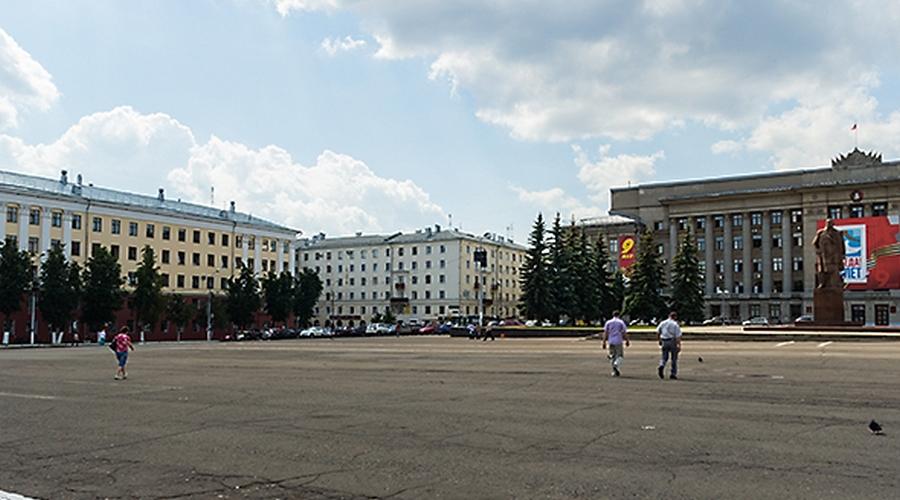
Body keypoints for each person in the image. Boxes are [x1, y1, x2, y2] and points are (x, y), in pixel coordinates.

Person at [602, 311, 629, 376]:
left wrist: (604, 342)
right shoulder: (621, 322)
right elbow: (624, 332)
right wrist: (627, 340)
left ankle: (614, 370)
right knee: (620, 355)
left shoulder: (608, 322)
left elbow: (606, 333)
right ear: (619, 315)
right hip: (618, 340)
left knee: (612, 356)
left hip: (611, 340)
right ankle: (616, 364)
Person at [657, 312, 683, 380]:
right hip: (672, 341)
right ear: (675, 317)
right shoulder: (675, 324)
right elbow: (678, 336)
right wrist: (679, 345)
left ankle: (661, 365)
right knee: (674, 358)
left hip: (664, 340)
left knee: (664, 357)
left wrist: (659, 340)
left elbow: (658, 331)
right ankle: (673, 374)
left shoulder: (663, 323)